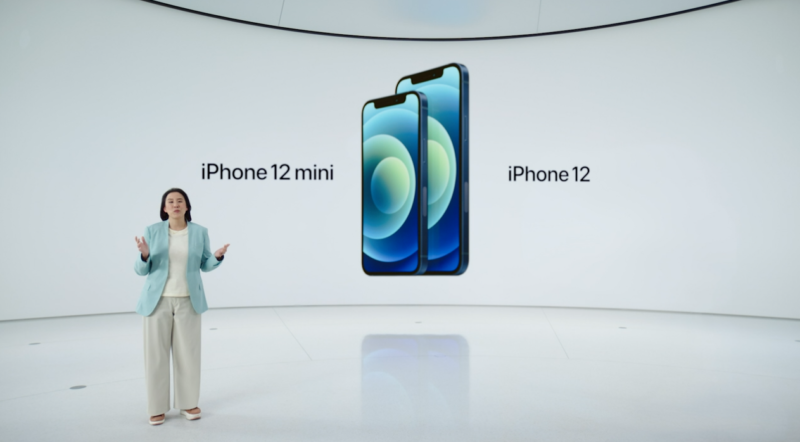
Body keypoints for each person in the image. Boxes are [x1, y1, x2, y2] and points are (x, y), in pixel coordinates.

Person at [134, 188, 229, 425]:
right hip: (157, 301)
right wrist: (144, 256)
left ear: (187, 206)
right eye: (170, 201)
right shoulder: (152, 231)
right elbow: (141, 270)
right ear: (164, 208)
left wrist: (217, 257)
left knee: (188, 355)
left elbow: (205, 264)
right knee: (155, 356)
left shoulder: (199, 231)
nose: (175, 204)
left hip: (188, 300)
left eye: (180, 201)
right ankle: (156, 407)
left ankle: (188, 403)